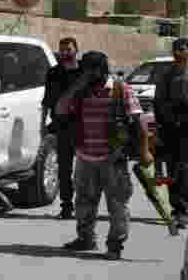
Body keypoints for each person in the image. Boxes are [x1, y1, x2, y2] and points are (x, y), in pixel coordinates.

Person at [54, 50, 152, 259]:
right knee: (83, 202)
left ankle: (115, 245)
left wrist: (144, 151)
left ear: (101, 70)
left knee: (117, 205)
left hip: (113, 158)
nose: (88, 74)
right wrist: (78, 86)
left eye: (91, 70)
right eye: (85, 70)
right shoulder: (80, 91)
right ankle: (86, 239)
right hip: (84, 157)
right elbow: (60, 110)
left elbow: (139, 122)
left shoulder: (120, 89)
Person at [41, 37, 82, 219]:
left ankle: (84, 206)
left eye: (68, 49)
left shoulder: (84, 72)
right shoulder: (53, 73)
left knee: (84, 171)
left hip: (83, 127)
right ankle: (67, 206)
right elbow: (47, 100)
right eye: (62, 50)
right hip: (62, 127)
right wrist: (42, 124)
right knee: (64, 169)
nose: (65, 53)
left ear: (76, 50)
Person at [155, 37, 188, 228]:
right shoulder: (166, 75)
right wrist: (163, 123)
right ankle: (179, 210)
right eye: (175, 49)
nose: (178, 52)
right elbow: (158, 102)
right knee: (176, 170)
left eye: (182, 49)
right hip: (172, 128)